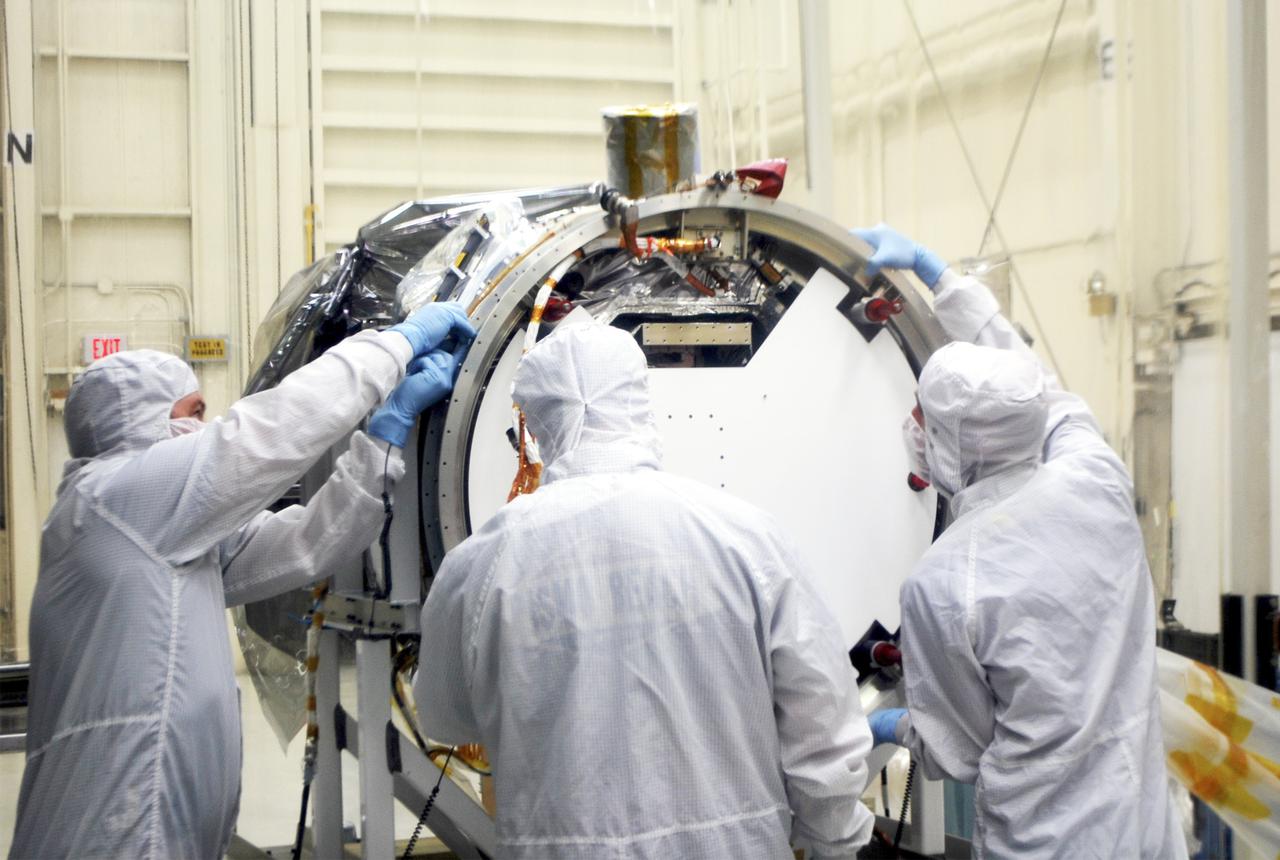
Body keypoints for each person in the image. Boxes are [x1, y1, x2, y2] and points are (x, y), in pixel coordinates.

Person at [10, 303, 475, 860]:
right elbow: (267, 432)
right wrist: (395, 344)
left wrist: (382, 439)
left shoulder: (156, 534)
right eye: (193, 411)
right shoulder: (116, 497)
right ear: (139, 422)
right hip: (114, 827)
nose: (202, 428)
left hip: (156, 819)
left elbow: (306, 545)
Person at [414, 321, 875, 860]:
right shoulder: (747, 537)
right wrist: (834, 841)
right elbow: (821, 722)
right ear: (641, 403)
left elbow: (446, 716)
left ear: (534, 428)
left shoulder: (481, 561)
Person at [855, 224, 1186, 859]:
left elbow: (957, 750)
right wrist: (943, 280)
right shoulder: (1095, 477)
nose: (913, 424)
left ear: (952, 442)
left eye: (922, 413)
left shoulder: (945, 583)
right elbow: (1039, 388)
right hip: (1143, 830)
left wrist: (892, 725)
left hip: (1044, 842)